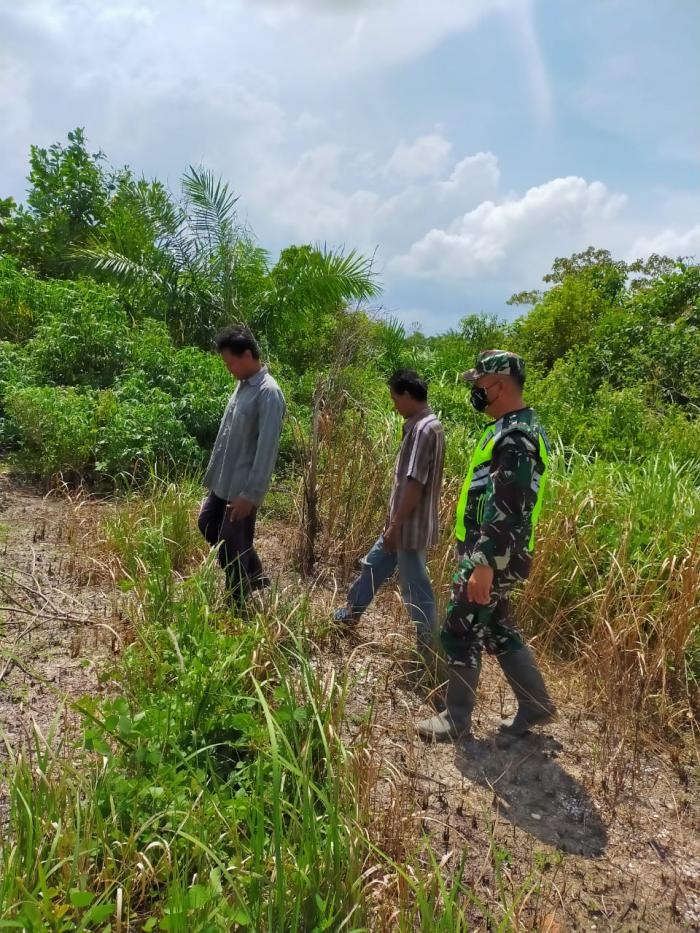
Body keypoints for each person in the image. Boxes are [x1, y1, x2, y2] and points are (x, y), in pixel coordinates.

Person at [417, 349, 556, 741]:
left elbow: (510, 508)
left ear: (499, 384)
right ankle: (536, 704)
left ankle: (455, 718)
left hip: (493, 553)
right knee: (497, 626)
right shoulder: (510, 426)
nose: (475, 391)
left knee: (461, 627)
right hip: (492, 551)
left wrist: (484, 564)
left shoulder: (515, 437)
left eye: (478, 384)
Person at [333, 369, 445, 675]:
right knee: (373, 565)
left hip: (408, 527)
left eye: (395, 398)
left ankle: (429, 654)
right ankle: (349, 614)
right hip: (402, 523)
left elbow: (414, 483)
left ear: (408, 395)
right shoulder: (423, 426)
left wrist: (395, 526)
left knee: (415, 589)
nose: (394, 405)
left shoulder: (424, 430)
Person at [198, 325, 286, 608]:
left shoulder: (268, 393)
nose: (229, 368)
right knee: (207, 523)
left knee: (232, 547)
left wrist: (251, 494)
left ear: (248, 355)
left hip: (242, 487)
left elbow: (266, 450)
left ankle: (235, 605)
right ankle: (255, 572)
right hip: (223, 481)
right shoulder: (242, 386)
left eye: (231, 362)